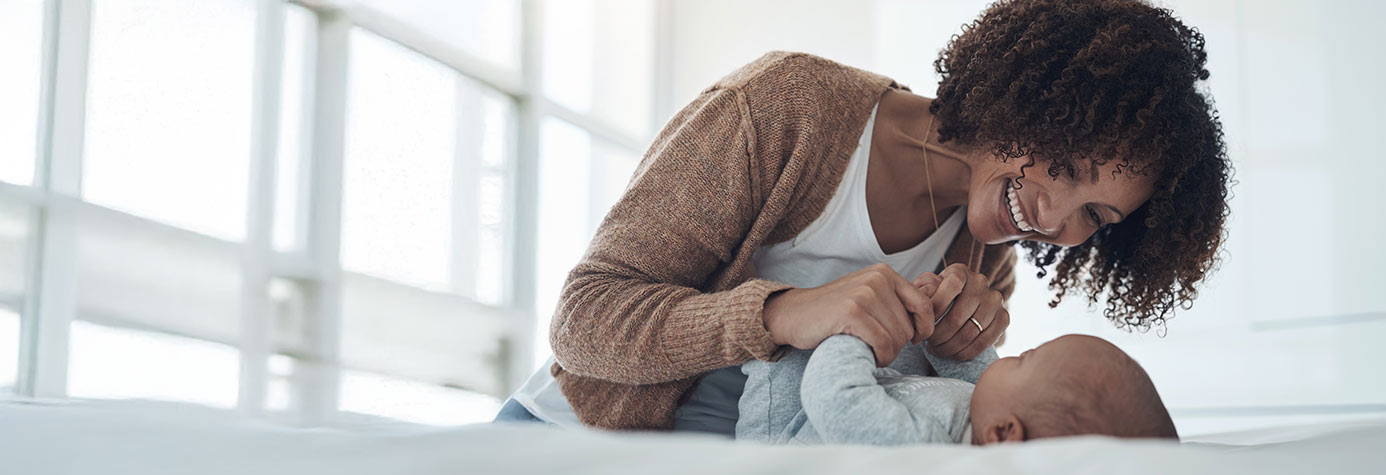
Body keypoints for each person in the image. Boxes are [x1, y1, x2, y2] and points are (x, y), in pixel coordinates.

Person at [496, 0, 1232, 433]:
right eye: (1065, 163)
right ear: (1032, 95)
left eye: (1095, 214)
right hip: (571, 436)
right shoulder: (784, 109)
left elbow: (886, 425)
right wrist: (783, 312)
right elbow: (583, 322)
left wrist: (954, 359)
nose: (1052, 216)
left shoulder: (986, 262)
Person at [736, 332, 1177, 445]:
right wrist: (945, 327)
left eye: (1025, 358)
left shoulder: (930, 454)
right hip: (860, 397)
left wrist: (856, 334)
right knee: (908, 348)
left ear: (1004, 432)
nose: (1011, 357)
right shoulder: (986, 422)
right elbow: (976, 379)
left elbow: (836, 401)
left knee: (786, 356)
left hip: (788, 435)